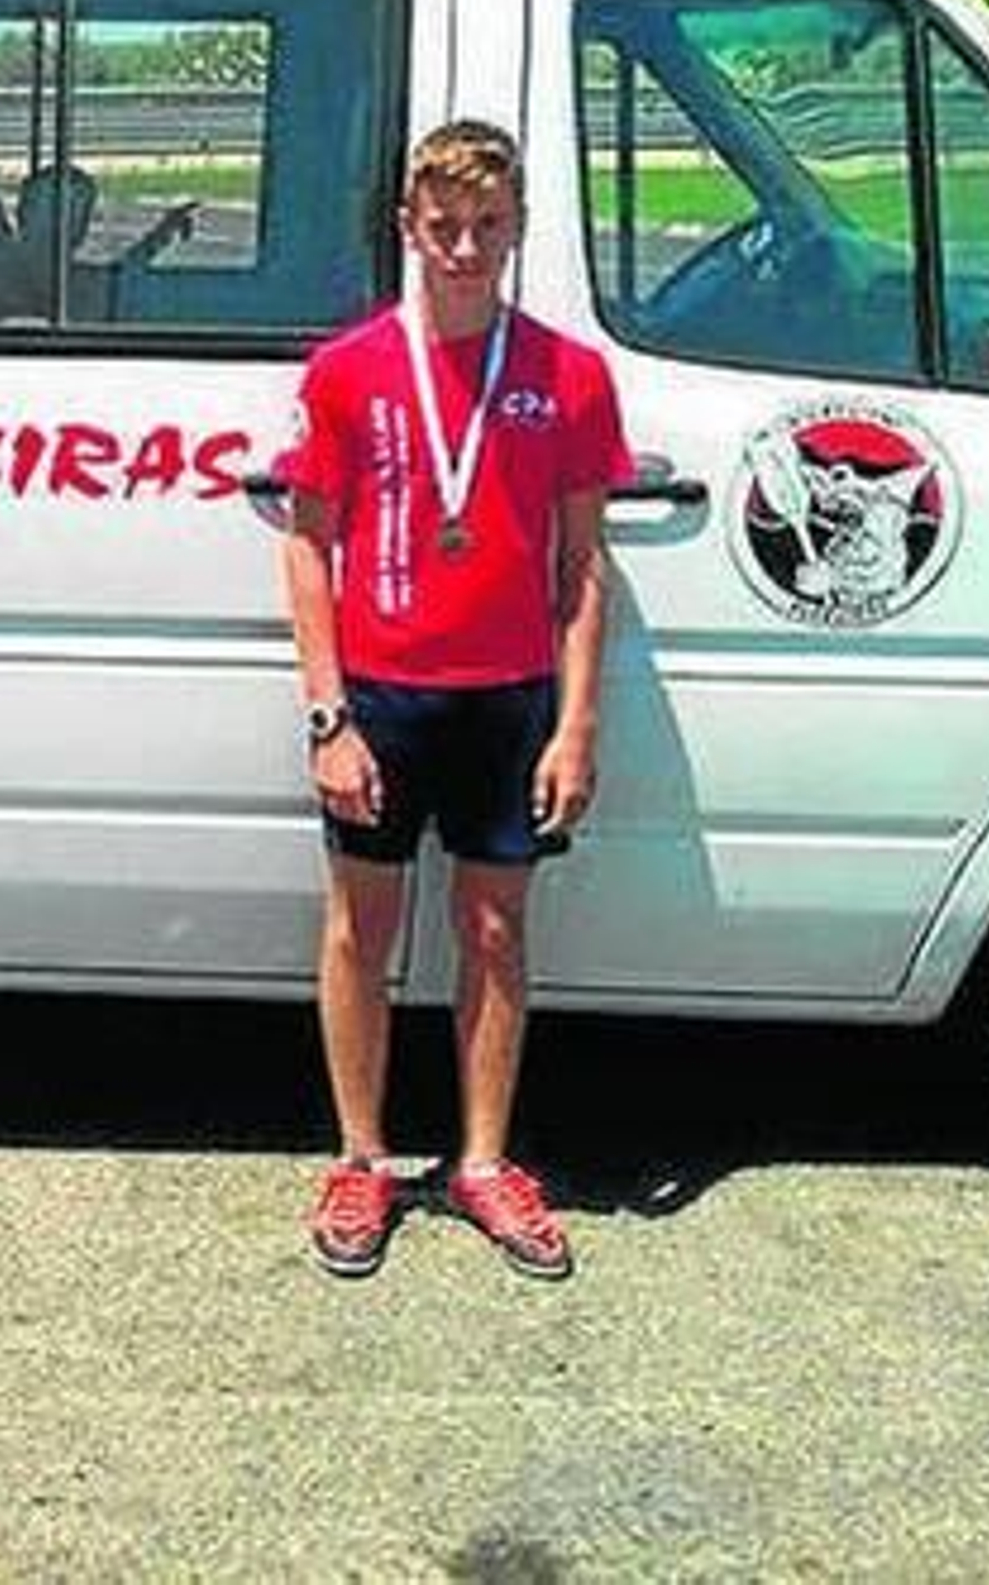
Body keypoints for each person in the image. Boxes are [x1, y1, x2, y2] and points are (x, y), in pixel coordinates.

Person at [280, 119, 630, 1280]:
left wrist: (576, 723)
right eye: (443, 229)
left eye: (486, 228)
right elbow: (306, 549)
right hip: (380, 699)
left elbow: (583, 566)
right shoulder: (347, 371)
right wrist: (329, 716)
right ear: (407, 232)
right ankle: (363, 1158)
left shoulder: (569, 376)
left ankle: (480, 1162)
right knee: (360, 932)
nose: (464, 250)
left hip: (509, 700)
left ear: (520, 230)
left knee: (494, 929)